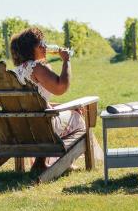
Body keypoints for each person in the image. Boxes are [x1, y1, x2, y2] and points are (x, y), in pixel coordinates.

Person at [9, 26, 87, 173]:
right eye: (40, 44)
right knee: (78, 119)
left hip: (21, 128)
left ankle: (42, 161)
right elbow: (61, 87)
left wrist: (66, 107)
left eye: (44, 42)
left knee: (71, 112)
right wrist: (66, 61)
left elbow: (37, 103)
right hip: (41, 128)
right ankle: (61, 161)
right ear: (30, 49)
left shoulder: (17, 71)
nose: (44, 46)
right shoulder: (37, 67)